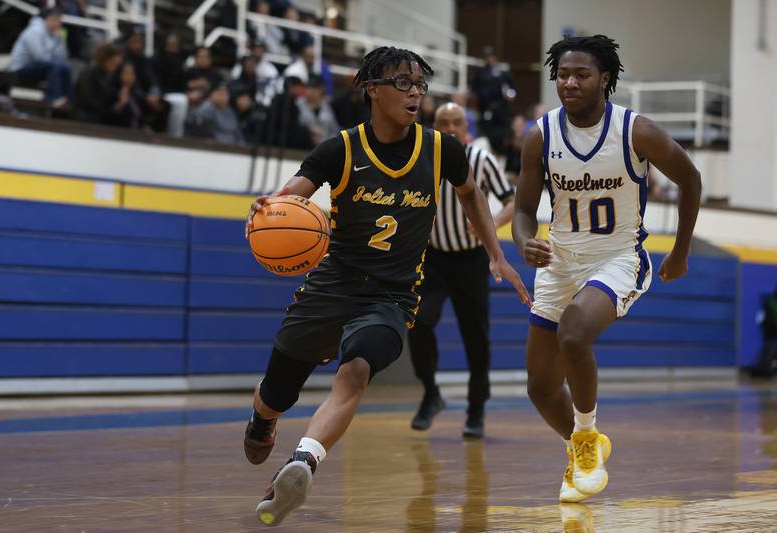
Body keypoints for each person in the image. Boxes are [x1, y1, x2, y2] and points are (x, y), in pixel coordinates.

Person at [243, 46, 531, 527]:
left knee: (355, 372)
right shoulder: (340, 148)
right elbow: (294, 192)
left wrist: (496, 253)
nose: (415, 92)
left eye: (419, 84)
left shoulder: (441, 149)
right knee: (276, 393)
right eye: (402, 82)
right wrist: (268, 206)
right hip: (332, 286)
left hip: (392, 295)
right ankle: (263, 419)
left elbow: (472, 194)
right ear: (372, 89)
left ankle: (303, 461)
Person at [512, 35, 701, 503]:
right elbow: (523, 210)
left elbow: (691, 179)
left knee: (574, 334)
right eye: (562, 75)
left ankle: (585, 433)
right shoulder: (541, 135)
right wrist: (523, 241)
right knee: (539, 387)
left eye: (582, 74)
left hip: (617, 257)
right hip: (560, 261)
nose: (570, 83)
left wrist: (680, 252)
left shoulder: (636, 131)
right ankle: (581, 446)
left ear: (605, 79)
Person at [408, 102, 516, 439]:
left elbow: (511, 201)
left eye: (457, 122)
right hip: (433, 258)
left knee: (476, 337)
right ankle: (431, 393)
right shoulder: (420, 157)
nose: (451, 128)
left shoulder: (481, 160)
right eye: (444, 122)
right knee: (418, 323)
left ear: (467, 129)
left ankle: (476, 409)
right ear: (434, 127)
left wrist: (491, 223)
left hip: (471, 260)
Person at [6, 7, 72, 108]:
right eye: (56, 20)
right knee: (56, 66)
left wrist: (60, 39)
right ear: (47, 19)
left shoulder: (54, 34)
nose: (58, 24)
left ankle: (68, 99)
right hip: (20, 68)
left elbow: (63, 57)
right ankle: (53, 99)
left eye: (60, 21)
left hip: (39, 67)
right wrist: (54, 57)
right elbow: (39, 57)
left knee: (67, 66)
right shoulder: (35, 30)